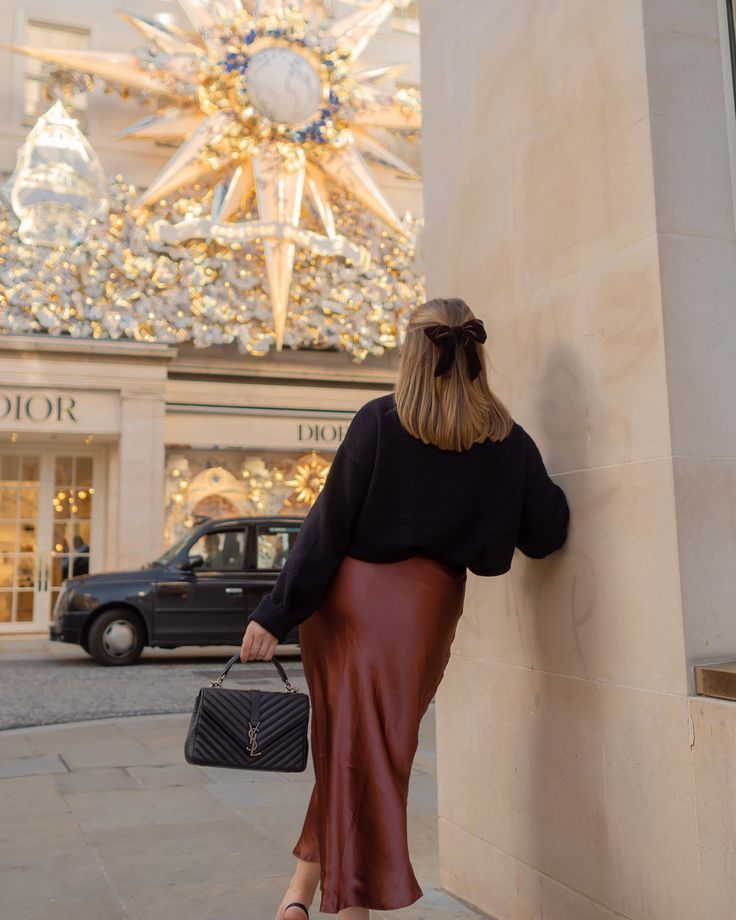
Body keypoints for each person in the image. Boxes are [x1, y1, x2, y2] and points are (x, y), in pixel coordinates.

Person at [239, 297, 571, 920]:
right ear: (475, 355)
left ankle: (306, 894)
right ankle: (338, 905)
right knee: (369, 753)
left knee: (353, 751)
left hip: (344, 604)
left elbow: (327, 526)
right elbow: (547, 534)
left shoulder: (379, 421)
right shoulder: (506, 440)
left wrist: (275, 612)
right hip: (421, 612)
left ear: (414, 356)